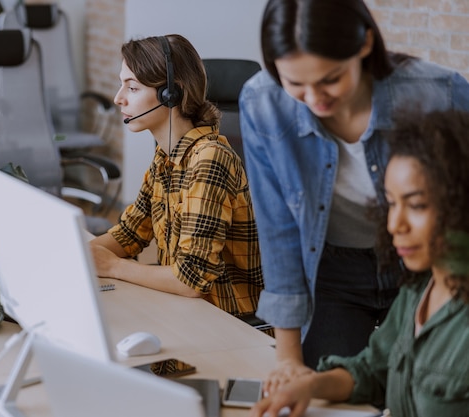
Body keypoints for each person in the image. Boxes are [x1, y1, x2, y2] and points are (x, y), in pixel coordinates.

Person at [239, 0, 469, 389]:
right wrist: (288, 360)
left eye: (330, 79)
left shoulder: (440, 93)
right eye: (294, 83)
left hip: (428, 265)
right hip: (331, 270)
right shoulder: (263, 104)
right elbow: (279, 231)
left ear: (364, 44)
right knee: (335, 387)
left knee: (424, 388)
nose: (315, 99)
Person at [250, 109, 469, 417]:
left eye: (417, 205)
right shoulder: (419, 288)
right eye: (391, 204)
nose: (395, 224)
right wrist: (308, 386)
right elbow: (372, 370)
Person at [89, 34, 263, 317]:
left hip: (227, 320)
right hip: (184, 309)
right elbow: (130, 233)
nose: (118, 98)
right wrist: (75, 256)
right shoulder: (165, 157)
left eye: (132, 88)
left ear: (172, 93)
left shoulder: (209, 159)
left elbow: (191, 279)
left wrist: (111, 266)